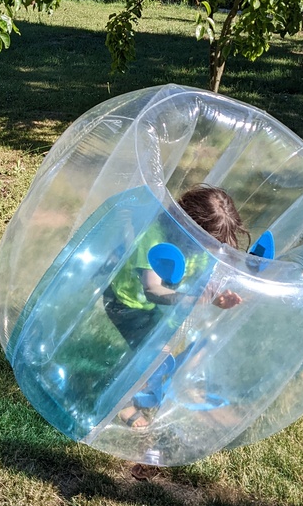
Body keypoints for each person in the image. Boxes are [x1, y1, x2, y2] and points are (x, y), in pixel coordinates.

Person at [103, 185, 248, 473]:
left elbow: (197, 276)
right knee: (155, 355)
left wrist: (214, 294)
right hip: (127, 304)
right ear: (186, 225)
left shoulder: (199, 244)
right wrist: (194, 300)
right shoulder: (156, 238)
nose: (211, 250)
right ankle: (119, 402)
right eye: (207, 243)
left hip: (162, 308)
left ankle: (151, 385)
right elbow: (153, 290)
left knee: (182, 348)